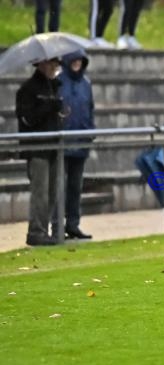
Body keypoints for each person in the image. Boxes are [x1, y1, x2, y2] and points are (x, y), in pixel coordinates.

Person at [16, 58, 63, 246]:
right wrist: (49, 107)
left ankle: (44, 229)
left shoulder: (54, 87)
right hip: (37, 148)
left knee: (52, 192)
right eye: (51, 65)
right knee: (40, 193)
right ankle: (36, 231)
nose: (54, 68)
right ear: (41, 65)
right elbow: (28, 118)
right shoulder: (28, 89)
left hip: (53, 146)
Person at [52, 50, 95, 239]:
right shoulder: (58, 82)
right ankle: (57, 226)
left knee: (75, 187)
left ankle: (73, 224)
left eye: (80, 60)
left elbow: (90, 108)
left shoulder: (86, 84)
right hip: (62, 142)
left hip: (81, 142)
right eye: (74, 60)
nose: (77, 63)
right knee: (59, 187)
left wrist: (90, 130)